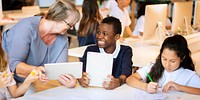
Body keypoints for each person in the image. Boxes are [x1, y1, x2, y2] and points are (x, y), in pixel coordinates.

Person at [2, 0, 80, 88]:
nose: (72, 28)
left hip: (28, 80)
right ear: (58, 19)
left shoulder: (63, 39)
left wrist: (70, 81)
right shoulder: (27, 27)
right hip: (5, 78)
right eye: (70, 24)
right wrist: (35, 70)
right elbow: (15, 65)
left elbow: (60, 71)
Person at [126, 35, 200, 95]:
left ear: (182, 58)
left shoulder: (188, 75)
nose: (167, 64)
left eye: (172, 61)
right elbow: (130, 80)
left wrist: (180, 87)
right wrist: (146, 87)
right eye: (164, 59)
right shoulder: (153, 66)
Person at [78, 16, 133, 90]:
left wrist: (118, 81)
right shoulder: (90, 50)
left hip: (117, 93)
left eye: (105, 34)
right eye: (98, 32)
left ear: (116, 37)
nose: (99, 36)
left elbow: (126, 72)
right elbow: (81, 71)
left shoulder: (125, 51)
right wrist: (81, 78)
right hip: (92, 91)